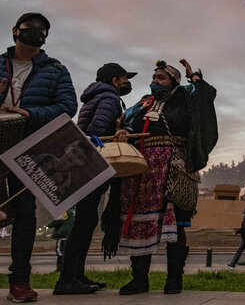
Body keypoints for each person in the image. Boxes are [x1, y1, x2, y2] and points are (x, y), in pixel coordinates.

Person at [111, 59, 217, 295]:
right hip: (143, 170)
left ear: (174, 82)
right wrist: (123, 131)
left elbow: (207, 96)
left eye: (161, 78)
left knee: (176, 222)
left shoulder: (185, 99)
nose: (155, 81)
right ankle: (139, 280)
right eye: (154, 77)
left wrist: (194, 77)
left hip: (174, 167)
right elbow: (127, 123)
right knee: (140, 221)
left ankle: (174, 279)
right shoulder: (143, 104)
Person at [0, 12, 77, 303]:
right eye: (29, 28)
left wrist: (31, 114)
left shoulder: (56, 70)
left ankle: (19, 281)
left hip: (29, 146)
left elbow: (68, 106)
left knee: (24, 214)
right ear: (15, 31)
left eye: (42, 30)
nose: (36, 33)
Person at [53, 63, 136, 295]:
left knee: (86, 221)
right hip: (94, 163)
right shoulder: (109, 98)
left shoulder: (94, 96)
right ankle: (67, 279)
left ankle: (76, 275)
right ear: (114, 80)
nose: (126, 83)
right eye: (123, 78)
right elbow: (98, 131)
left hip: (84, 162)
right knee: (84, 223)